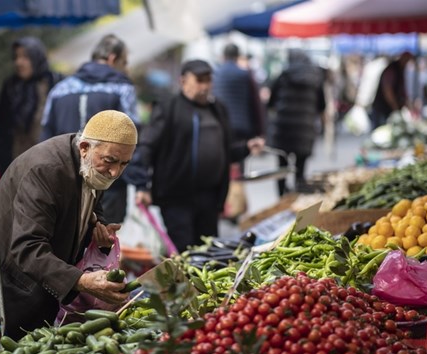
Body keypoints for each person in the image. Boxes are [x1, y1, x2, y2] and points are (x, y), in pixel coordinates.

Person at [0, 110, 137, 340]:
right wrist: (81, 281)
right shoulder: (46, 170)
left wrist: (97, 225)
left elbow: (90, 198)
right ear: (84, 148)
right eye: (111, 161)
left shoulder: (91, 163)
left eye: (125, 164)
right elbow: (27, 247)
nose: (116, 172)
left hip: (27, 273)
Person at [132, 60, 264, 253]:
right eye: (199, 80)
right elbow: (146, 145)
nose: (205, 86)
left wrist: (246, 147)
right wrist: (141, 185)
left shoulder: (218, 108)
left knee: (208, 252)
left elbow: (226, 151)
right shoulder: (169, 108)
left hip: (210, 198)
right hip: (176, 198)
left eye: (208, 80)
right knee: (185, 253)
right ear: (183, 81)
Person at [41, 34, 140, 224]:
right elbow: (134, 137)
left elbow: (45, 136)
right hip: (109, 184)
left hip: (64, 179)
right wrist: (140, 182)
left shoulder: (60, 89)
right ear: (112, 59)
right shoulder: (121, 88)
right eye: (124, 62)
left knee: (65, 238)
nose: (126, 69)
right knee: (103, 242)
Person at [0, 36, 62, 176]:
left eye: (25, 57)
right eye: (16, 57)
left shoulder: (53, 81)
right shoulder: (11, 86)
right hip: (14, 158)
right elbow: (1, 123)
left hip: (46, 157)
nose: (19, 62)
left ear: (36, 58)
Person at [267, 50, 326, 196]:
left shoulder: (283, 75)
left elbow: (271, 103)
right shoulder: (316, 78)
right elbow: (321, 106)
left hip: (283, 129)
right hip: (305, 129)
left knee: (282, 168)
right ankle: (298, 199)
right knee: (300, 169)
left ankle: (281, 199)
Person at [212, 43, 265, 158]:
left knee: (224, 157)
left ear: (223, 56)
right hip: (242, 126)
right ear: (237, 56)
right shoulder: (245, 74)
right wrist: (260, 130)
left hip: (220, 124)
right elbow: (255, 103)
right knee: (240, 157)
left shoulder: (216, 74)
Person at [371, 52, 413, 127]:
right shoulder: (392, 69)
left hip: (389, 108)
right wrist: (395, 107)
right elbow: (388, 91)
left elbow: (402, 89)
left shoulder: (400, 70)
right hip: (383, 109)